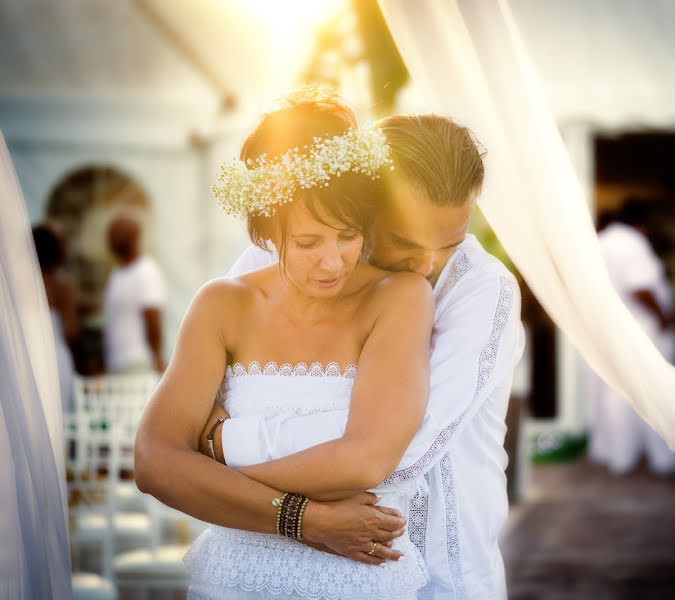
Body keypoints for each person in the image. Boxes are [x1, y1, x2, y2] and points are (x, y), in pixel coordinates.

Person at [203, 112, 524, 599]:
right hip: (273, 566)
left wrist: (224, 456)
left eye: (448, 244)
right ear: (364, 206)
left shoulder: (483, 288)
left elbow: (402, 449)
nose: (426, 265)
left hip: (444, 573)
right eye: (405, 242)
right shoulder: (273, 262)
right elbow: (200, 393)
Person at [135, 89, 436, 599]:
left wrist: (216, 463)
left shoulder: (400, 297)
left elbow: (367, 462)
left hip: (360, 580)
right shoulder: (221, 306)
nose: (333, 261)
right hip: (232, 583)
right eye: (308, 242)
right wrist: (307, 520)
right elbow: (152, 462)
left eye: (348, 235)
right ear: (268, 230)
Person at [588, 200, 675, 475]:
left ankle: (619, 455)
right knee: (653, 391)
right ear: (642, 224)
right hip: (641, 329)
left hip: (611, 328)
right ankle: (660, 458)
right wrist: (663, 316)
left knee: (616, 391)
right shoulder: (631, 243)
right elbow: (639, 287)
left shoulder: (602, 241)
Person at [103, 214, 166, 373]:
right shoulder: (117, 274)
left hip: (140, 362)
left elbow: (152, 317)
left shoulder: (146, 270)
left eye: (114, 236)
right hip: (117, 363)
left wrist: (157, 358)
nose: (110, 242)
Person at [32, 223, 78, 413]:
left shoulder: (14, 289)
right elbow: (71, 330)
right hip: (55, 360)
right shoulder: (62, 287)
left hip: (26, 360)